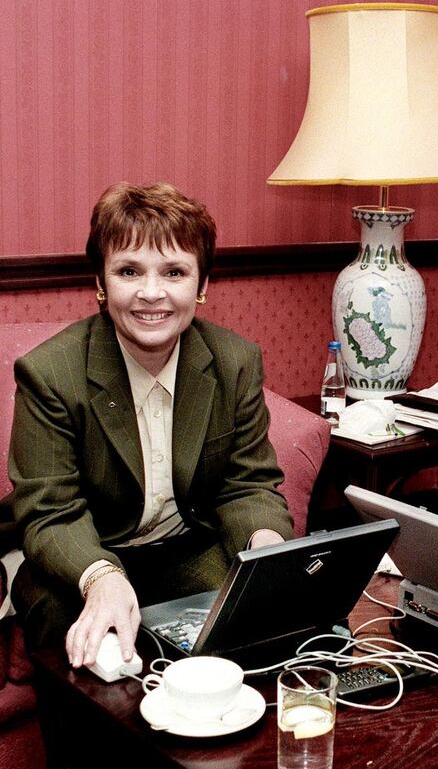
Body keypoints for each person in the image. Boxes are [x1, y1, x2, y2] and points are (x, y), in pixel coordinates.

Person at [8, 182, 294, 670]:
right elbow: (50, 511)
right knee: (80, 640)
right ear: (101, 281)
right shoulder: (50, 374)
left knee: (260, 629)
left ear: (201, 286)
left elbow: (248, 485)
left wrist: (267, 548)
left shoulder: (235, 362)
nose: (151, 293)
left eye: (175, 272)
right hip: (83, 557)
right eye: (128, 271)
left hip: (185, 549)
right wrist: (102, 577)